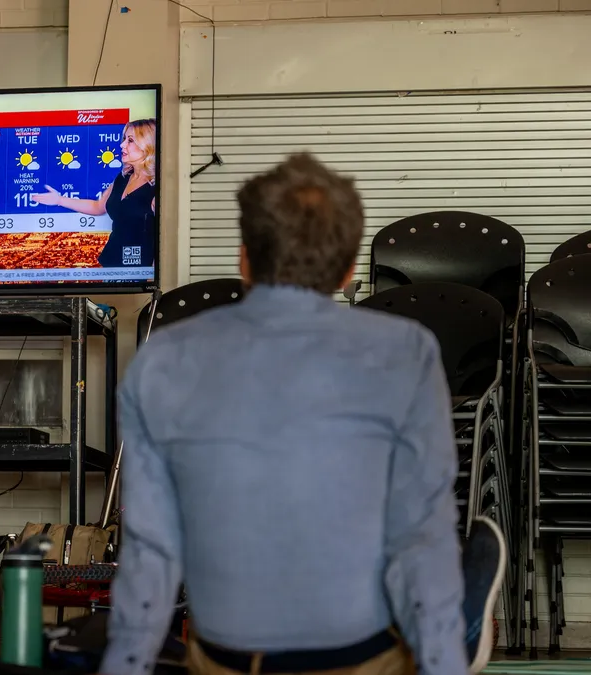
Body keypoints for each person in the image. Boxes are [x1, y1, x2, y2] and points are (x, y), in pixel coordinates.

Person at [99, 154, 505, 675]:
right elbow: (418, 539)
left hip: (224, 659)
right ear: (348, 269)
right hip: (360, 659)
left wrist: (124, 666)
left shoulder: (163, 359)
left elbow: (150, 553)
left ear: (244, 259)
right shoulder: (405, 352)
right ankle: (462, 633)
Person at [30, 119, 157, 269]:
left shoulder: (157, 188)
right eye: (124, 139)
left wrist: (152, 276)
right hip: (111, 263)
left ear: (147, 145)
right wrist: (59, 200)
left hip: (140, 271)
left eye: (130, 141)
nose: (122, 145)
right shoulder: (123, 178)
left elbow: (162, 240)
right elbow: (98, 206)